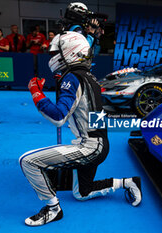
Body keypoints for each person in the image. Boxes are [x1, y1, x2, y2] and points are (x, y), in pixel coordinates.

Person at [20, 31, 142, 226]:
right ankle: (127, 182)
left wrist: (35, 92)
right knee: (81, 193)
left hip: (90, 147)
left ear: (69, 52)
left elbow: (58, 117)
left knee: (28, 162)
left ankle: (53, 209)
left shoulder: (72, 77)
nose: (52, 58)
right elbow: (95, 114)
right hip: (99, 143)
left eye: (55, 53)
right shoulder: (90, 78)